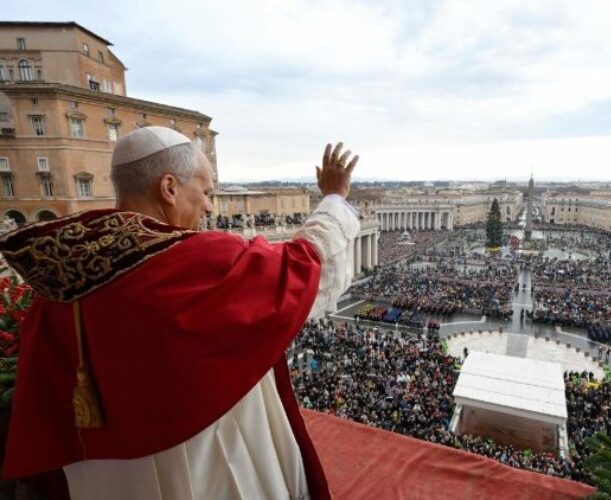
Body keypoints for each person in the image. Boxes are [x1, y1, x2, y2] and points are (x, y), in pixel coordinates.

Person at [0, 127, 361, 500]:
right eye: (204, 192)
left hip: (105, 480)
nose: (209, 207)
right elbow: (304, 265)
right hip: (206, 463)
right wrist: (334, 198)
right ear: (169, 188)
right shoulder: (194, 262)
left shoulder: (59, 284)